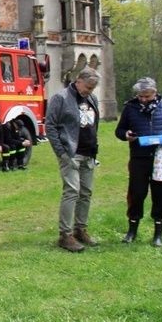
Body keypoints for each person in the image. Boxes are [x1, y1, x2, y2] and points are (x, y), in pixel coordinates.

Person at [115, 77, 162, 246]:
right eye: (141, 96)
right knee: (136, 194)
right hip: (139, 157)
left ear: (155, 93)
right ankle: (132, 231)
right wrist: (126, 135)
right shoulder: (129, 108)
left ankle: (158, 234)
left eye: (147, 96)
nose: (144, 99)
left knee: (161, 194)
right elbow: (119, 130)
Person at [45, 67, 101, 252]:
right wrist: (61, 152)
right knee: (71, 191)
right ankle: (65, 235)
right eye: (87, 88)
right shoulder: (60, 98)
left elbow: (94, 123)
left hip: (89, 154)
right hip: (70, 154)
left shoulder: (91, 99)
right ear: (78, 82)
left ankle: (80, 230)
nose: (89, 92)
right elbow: (50, 126)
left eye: (92, 89)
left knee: (86, 193)